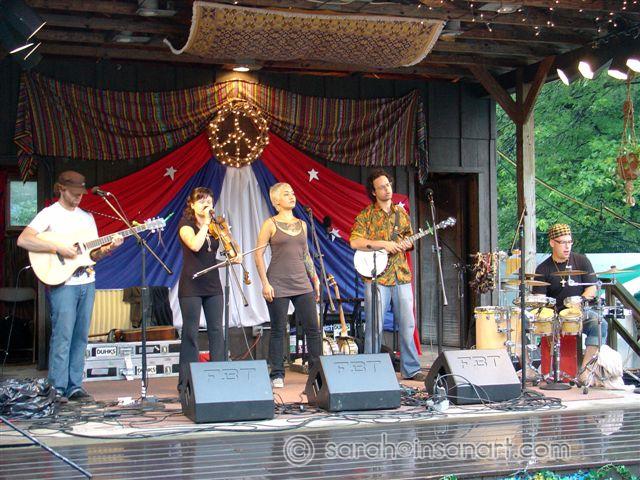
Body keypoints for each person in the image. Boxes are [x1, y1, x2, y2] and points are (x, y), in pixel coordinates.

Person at [17, 171, 123, 403]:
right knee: (63, 335)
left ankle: (75, 385)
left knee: (80, 336)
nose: (78, 197)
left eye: (81, 194)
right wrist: (57, 249)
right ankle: (57, 387)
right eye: (74, 193)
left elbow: (92, 255)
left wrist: (108, 248)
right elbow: (23, 239)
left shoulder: (87, 218)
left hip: (87, 280)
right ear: (61, 189)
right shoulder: (49, 214)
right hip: (64, 282)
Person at [349, 169, 422, 380]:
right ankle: (371, 370)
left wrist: (406, 244)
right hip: (376, 278)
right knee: (374, 325)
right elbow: (355, 242)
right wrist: (383, 244)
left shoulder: (401, 214)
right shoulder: (366, 215)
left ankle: (411, 369)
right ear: (373, 192)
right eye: (381, 187)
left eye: (388, 185)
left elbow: (409, 239)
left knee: (407, 324)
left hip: (401, 275)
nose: (387, 189)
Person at [255, 182, 321, 389]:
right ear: (276, 201)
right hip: (277, 282)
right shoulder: (270, 224)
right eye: (286, 194)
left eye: (292, 193)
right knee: (278, 329)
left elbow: (305, 254)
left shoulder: (302, 224)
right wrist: (265, 283)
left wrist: (315, 278)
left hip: (302, 282)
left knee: (313, 328)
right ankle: (277, 373)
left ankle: (317, 372)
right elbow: (258, 254)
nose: (292, 196)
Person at [176, 187, 242, 394]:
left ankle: (219, 377)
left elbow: (233, 249)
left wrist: (234, 250)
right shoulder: (186, 225)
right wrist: (205, 223)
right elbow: (195, 246)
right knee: (191, 331)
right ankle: (186, 381)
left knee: (216, 330)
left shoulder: (216, 225)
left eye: (209, 201)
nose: (206, 204)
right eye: (202, 201)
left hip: (213, 284)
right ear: (192, 205)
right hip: (191, 284)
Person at [532, 223, 608, 382]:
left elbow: (592, 288)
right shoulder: (543, 269)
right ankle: (529, 369)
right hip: (554, 316)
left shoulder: (581, 261)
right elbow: (539, 299)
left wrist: (580, 301)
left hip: (579, 312)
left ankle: (585, 370)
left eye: (570, 242)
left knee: (599, 324)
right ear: (552, 243)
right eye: (562, 242)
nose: (567, 246)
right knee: (521, 324)